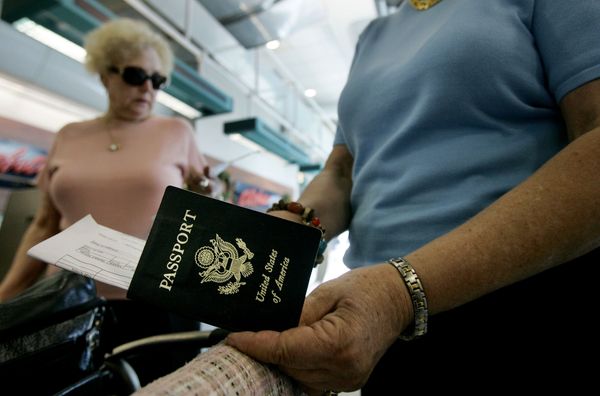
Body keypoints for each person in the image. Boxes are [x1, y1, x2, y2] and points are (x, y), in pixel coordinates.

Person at [226, 0, 600, 393]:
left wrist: (399, 292)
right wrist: (290, 224)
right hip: (384, 326)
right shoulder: (372, 37)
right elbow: (342, 171)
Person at [0, 17, 215, 384]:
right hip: (69, 302)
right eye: (135, 76)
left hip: (157, 303)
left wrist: (205, 195)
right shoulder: (69, 136)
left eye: (157, 80)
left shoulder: (177, 132)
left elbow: (203, 211)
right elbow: (45, 224)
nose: (148, 88)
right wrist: (7, 297)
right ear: (105, 75)